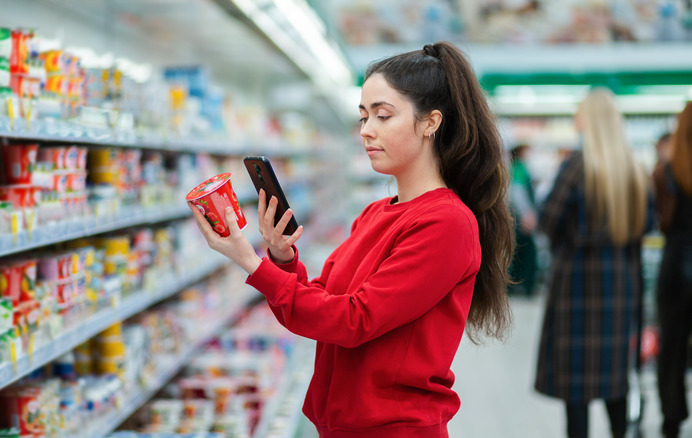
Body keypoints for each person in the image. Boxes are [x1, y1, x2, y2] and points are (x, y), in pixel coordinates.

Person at [189, 42, 514, 437]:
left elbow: (353, 320)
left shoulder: (446, 223)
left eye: (383, 115)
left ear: (431, 122)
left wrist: (250, 263)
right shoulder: (375, 214)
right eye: (363, 117)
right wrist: (281, 257)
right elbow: (317, 307)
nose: (367, 131)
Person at [534, 89, 651, 438]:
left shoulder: (576, 167)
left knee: (577, 385)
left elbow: (547, 220)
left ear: (591, 120)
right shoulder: (633, 167)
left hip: (578, 285)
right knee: (616, 377)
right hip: (621, 282)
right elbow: (647, 224)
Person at [652, 102, 692, 438]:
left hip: (675, 265)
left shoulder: (666, 172)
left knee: (672, 348)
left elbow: (660, 221)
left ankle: (672, 417)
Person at [508, 143, 538, 297]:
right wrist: (527, 215)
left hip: (515, 218)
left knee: (517, 251)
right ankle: (525, 286)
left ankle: (514, 286)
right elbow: (518, 194)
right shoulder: (519, 168)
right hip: (521, 218)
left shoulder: (514, 168)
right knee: (527, 251)